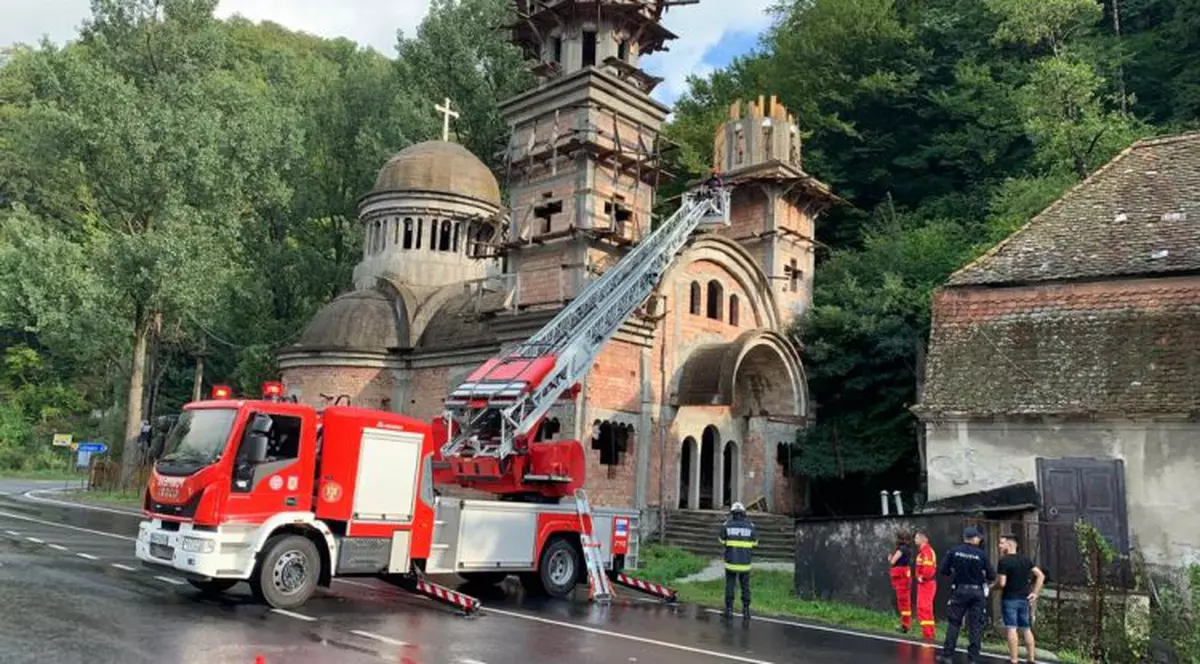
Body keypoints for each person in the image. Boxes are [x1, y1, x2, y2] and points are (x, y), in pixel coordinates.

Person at [937, 526, 997, 664]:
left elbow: (943, 570)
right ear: (974, 538)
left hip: (960, 590)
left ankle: (947, 656)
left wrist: (955, 572)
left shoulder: (954, 551)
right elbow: (991, 575)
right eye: (978, 537)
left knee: (954, 623)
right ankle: (973, 659)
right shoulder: (981, 554)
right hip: (977, 592)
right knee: (975, 625)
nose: (980, 540)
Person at [997, 534, 1045, 664]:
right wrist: (1035, 593)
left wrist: (992, 587)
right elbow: (1040, 575)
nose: (999, 546)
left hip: (1009, 599)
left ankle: (1014, 659)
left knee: (1011, 628)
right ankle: (1031, 659)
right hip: (1024, 599)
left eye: (1002, 543)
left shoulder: (1004, 561)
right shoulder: (1026, 560)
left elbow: (1002, 583)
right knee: (1026, 628)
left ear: (1010, 544)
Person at [718, 501, 757, 621]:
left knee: (730, 586)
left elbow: (721, 540)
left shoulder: (727, 525)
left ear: (732, 513)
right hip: (745, 563)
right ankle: (746, 611)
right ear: (744, 513)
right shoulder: (751, 526)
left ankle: (729, 610)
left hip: (731, 563)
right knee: (745, 587)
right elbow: (755, 543)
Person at [914, 528, 938, 640]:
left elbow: (928, 569)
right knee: (924, 608)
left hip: (926, 584)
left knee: (924, 608)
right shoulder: (924, 551)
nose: (915, 539)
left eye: (917, 537)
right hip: (925, 584)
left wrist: (921, 577)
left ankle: (928, 634)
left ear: (923, 538)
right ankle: (929, 633)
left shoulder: (926, 551)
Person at [888, 530, 914, 633]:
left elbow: (893, 561)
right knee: (905, 602)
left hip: (901, 578)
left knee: (902, 603)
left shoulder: (901, 549)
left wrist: (890, 558)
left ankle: (905, 626)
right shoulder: (908, 549)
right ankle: (905, 624)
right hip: (905, 577)